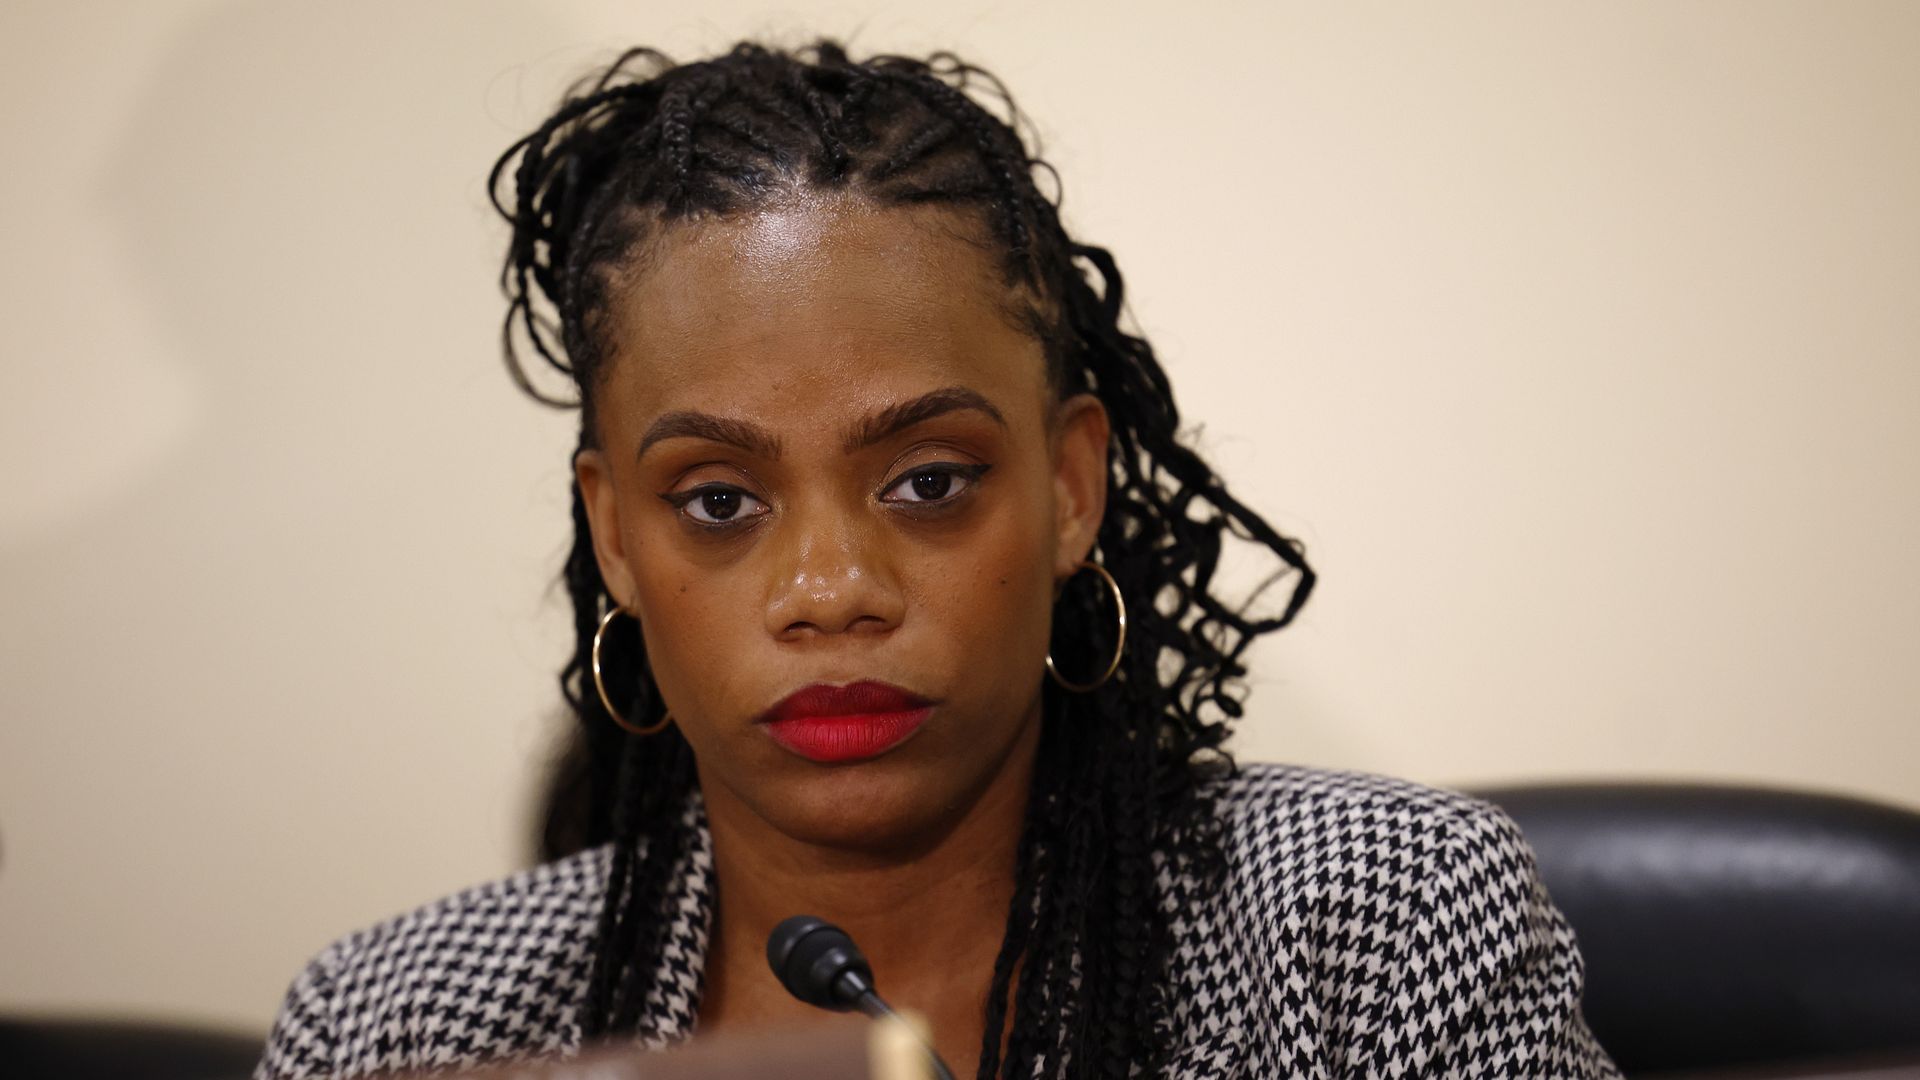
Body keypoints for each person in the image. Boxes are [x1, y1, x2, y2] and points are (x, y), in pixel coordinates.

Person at [255, 41, 1619, 1080]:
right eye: (719, 501)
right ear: (616, 534)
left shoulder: (1371, 928)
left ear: (1070, 485)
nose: (832, 588)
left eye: (927, 481)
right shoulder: (394, 1024)